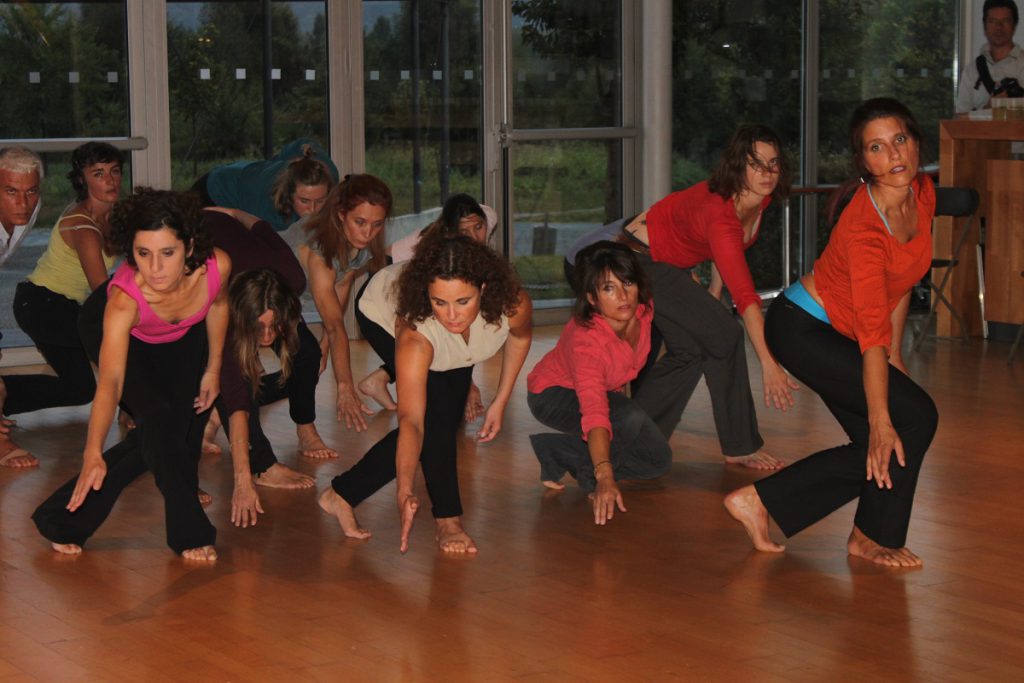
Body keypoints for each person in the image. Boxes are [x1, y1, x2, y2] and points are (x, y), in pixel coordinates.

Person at [725, 98, 939, 568]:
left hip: (843, 331)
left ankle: (776, 508)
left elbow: (899, 282)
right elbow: (869, 337)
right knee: (912, 418)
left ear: (916, 141)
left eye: (899, 140)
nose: (894, 156)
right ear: (863, 162)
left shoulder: (922, 193)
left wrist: (898, 357)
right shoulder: (864, 229)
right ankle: (862, 531)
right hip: (805, 329)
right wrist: (881, 415)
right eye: (877, 148)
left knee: (891, 433)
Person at [568, 125, 797, 470]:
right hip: (631, 260)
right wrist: (769, 362)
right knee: (725, 332)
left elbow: (726, 256)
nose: (767, 173)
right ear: (737, 165)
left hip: (658, 262)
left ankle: (633, 438)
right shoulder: (719, 212)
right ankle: (740, 444)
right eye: (755, 163)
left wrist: (711, 294)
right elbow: (746, 297)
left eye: (773, 163)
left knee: (692, 349)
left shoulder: (758, 199)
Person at [32, 188, 231, 561]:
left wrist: (214, 368)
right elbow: (110, 382)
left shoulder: (216, 265)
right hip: (117, 332)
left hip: (182, 334)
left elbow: (218, 305)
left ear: (189, 246)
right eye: (143, 254)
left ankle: (59, 517)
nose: (154, 269)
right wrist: (92, 451)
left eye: (167, 253)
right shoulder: (125, 299)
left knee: (171, 433)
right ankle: (190, 533)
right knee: (157, 419)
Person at [319, 233, 532, 554]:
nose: (452, 315)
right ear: (427, 296)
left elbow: (519, 339)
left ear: (484, 289)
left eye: (463, 301)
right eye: (440, 302)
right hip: (380, 307)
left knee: (444, 413)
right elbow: (412, 422)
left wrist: (500, 401)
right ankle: (448, 521)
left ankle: (342, 494)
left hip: (454, 333)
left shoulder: (512, 303)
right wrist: (404, 490)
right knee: (436, 421)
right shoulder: (416, 335)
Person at [527, 241, 671, 524]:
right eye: (608, 288)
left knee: (657, 460)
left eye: (627, 282)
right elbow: (595, 411)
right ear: (592, 299)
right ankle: (594, 478)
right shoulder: (586, 343)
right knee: (627, 414)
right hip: (552, 395)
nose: (623, 295)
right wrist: (605, 476)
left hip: (597, 394)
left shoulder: (643, 310)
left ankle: (556, 452)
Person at [0, 143, 123, 469]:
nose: (23, 202)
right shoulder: (82, 226)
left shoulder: (32, 210)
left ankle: (3, 397)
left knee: (80, 388)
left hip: (56, 305)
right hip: (42, 304)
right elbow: (102, 293)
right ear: (83, 180)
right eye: (98, 173)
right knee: (112, 337)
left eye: (114, 171)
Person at [201, 207, 324, 491]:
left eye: (274, 326)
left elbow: (257, 221)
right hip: (220, 283)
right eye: (258, 330)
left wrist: (229, 211)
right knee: (236, 380)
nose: (267, 338)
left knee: (307, 352)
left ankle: (305, 426)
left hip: (255, 271)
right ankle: (262, 464)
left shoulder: (292, 277)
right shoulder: (219, 292)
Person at [357, 192, 496, 413]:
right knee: (432, 387)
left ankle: (379, 379)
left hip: (410, 291)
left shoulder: (486, 217)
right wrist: (468, 385)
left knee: (449, 399)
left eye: (478, 228)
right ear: (451, 232)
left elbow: (467, 331)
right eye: (464, 231)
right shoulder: (437, 254)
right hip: (380, 301)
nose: (474, 237)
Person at [297, 174, 391, 434]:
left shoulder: (359, 246)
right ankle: (306, 432)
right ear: (340, 213)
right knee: (301, 360)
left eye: (377, 224)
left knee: (311, 357)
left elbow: (342, 285)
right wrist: (344, 385)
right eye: (359, 222)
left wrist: (325, 346)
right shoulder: (320, 249)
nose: (368, 232)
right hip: (261, 290)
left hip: (302, 302)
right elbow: (336, 324)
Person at [192, 138, 338, 231]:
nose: (312, 210)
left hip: (248, 171)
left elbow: (303, 143)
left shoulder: (326, 170)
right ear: (289, 194)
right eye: (304, 201)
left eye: (320, 201)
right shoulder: (272, 210)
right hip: (217, 189)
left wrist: (277, 161)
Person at [956, 0, 1024, 114]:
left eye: (1005, 21)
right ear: (984, 26)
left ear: (1014, 25)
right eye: (992, 21)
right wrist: (989, 109)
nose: (999, 27)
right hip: (981, 132)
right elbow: (960, 120)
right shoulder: (972, 71)